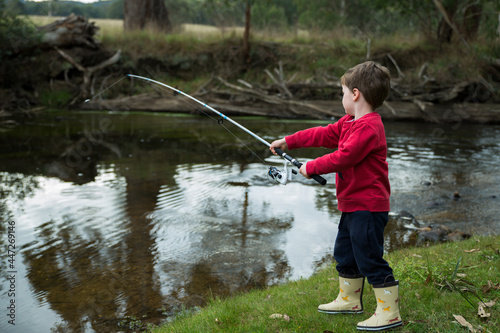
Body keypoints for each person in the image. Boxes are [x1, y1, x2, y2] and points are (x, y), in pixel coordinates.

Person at [270, 61, 402, 331]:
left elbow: (345, 157)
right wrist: (289, 140)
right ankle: (349, 300)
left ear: (355, 94)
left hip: (368, 206)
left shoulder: (368, 127)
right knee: (345, 253)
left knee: (369, 258)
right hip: (352, 205)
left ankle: (390, 313)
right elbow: (323, 133)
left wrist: (310, 167)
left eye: (342, 93)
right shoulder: (349, 122)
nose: (341, 98)